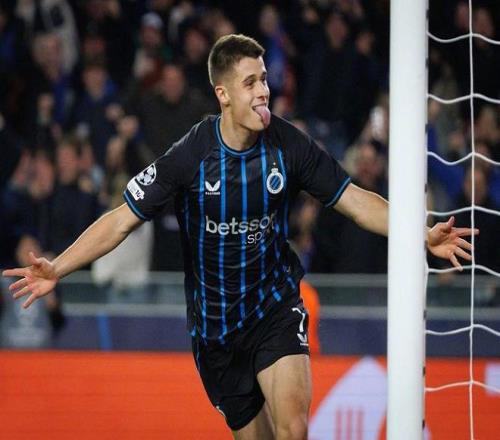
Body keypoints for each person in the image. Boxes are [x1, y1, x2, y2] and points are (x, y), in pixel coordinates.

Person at [3, 34, 478, 440]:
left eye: (265, 79)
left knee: (294, 429)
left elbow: (352, 199)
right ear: (223, 94)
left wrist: (419, 232)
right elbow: (121, 219)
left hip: (274, 307)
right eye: (250, 83)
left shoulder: (287, 145)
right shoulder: (189, 157)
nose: (264, 91)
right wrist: (58, 268)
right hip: (215, 332)